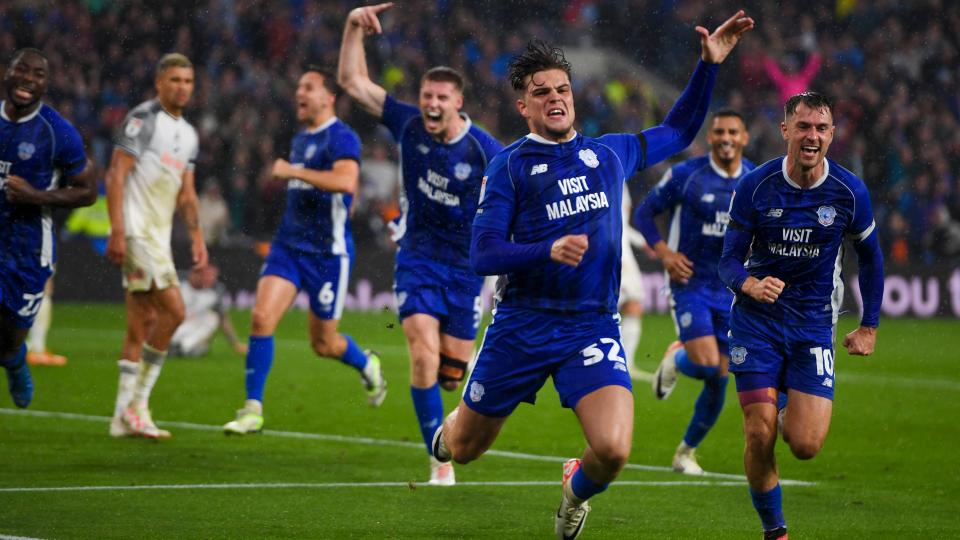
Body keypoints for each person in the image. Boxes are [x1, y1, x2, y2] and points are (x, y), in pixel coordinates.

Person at [433, 12, 754, 539]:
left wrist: (707, 66)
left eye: (562, 88)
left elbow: (677, 130)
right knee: (464, 451)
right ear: (524, 106)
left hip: (589, 325)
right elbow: (483, 255)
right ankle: (452, 428)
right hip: (521, 325)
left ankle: (574, 491)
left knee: (613, 449)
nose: (555, 97)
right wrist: (545, 250)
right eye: (541, 92)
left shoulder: (608, 153)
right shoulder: (509, 167)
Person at [338, 3, 504, 486]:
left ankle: (448, 424)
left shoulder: (485, 151)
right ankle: (440, 461)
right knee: (421, 356)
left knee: (452, 375)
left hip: (466, 269)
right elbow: (352, 82)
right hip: (417, 258)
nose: (431, 103)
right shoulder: (408, 123)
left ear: (458, 103)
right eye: (427, 95)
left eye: (441, 97)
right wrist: (353, 26)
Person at [718, 92, 883, 540]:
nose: (812, 136)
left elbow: (870, 258)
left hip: (812, 326)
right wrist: (748, 285)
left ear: (832, 135)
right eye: (804, 126)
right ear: (785, 129)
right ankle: (775, 531)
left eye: (821, 128)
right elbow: (727, 260)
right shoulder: (755, 184)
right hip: (756, 322)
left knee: (806, 446)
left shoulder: (849, 191)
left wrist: (869, 325)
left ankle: (785, 396)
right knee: (758, 434)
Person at [222, 66, 386, 435]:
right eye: (298, 86)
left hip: (327, 254)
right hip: (288, 246)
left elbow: (345, 181)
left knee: (323, 344)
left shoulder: (342, 137)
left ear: (329, 97)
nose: (300, 92)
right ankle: (252, 408)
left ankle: (366, 364)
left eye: (308, 87)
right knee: (261, 319)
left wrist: (293, 172)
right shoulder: (300, 139)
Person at [633, 109, 753, 474]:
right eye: (719, 132)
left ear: (744, 137)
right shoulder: (687, 175)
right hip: (691, 284)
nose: (726, 138)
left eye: (733, 131)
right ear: (710, 138)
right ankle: (677, 358)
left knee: (719, 379)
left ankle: (686, 451)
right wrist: (665, 253)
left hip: (732, 291)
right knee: (703, 365)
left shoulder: (755, 181)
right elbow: (644, 213)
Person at [106, 53, 207, 439]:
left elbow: (188, 193)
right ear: (159, 83)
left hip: (158, 239)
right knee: (175, 311)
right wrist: (117, 230)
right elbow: (116, 176)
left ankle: (120, 418)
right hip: (135, 233)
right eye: (175, 80)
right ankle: (139, 405)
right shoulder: (143, 120)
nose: (182, 87)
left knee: (142, 324)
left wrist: (197, 238)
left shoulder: (191, 135)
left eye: (188, 81)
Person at [0, 48, 95, 407]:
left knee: (8, 340)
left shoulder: (58, 132)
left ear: (45, 84)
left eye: (37, 74)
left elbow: (87, 191)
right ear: (6, 73)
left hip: (27, 249)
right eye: (21, 69)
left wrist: (36, 195)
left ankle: (13, 359)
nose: (27, 79)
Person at [169, 264, 246, 358]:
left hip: (192, 326)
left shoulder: (215, 292)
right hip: (171, 325)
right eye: (207, 275)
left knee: (213, 318)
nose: (211, 279)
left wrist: (235, 343)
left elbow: (223, 318)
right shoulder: (177, 283)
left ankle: (181, 348)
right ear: (195, 274)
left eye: (213, 276)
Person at [619, 187, 651, 382]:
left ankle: (626, 363)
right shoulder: (606, 175)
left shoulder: (620, 179)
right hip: (613, 257)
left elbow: (622, 224)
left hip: (624, 257)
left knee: (633, 307)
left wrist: (642, 242)